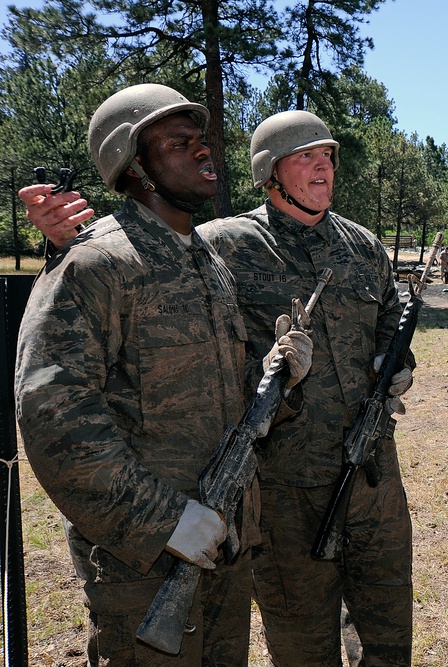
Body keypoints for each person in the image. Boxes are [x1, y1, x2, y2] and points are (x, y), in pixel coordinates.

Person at [26, 109, 415, 666]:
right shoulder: (221, 245)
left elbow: (388, 318)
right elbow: (127, 274)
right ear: (269, 172)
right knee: (305, 644)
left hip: (359, 480)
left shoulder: (351, 246)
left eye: (327, 153)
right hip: (276, 489)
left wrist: (395, 361)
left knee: (386, 632)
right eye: (305, 156)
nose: (322, 165)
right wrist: (66, 242)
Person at [15, 84, 312, 666]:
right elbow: (56, 420)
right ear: (137, 166)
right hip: (144, 562)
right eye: (179, 142)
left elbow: (225, 397)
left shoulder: (208, 262)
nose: (204, 152)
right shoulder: (95, 265)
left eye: (202, 139)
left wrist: (280, 383)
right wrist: (165, 520)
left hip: (225, 545)